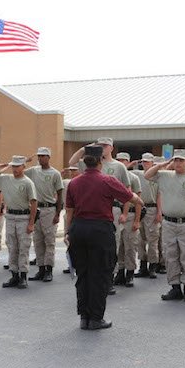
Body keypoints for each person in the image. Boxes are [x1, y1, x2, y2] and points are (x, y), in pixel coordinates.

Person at [65, 144, 144, 330]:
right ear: (101, 162)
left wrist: (69, 232)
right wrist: (140, 201)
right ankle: (96, 318)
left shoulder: (74, 183)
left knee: (83, 274)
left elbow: (69, 211)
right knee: (100, 274)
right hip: (100, 230)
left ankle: (84, 316)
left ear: (85, 162)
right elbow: (130, 197)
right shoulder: (108, 180)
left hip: (79, 229)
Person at [69, 137, 131, 295]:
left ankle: (109, 278)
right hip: (93, 209)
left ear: (111, 148)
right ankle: (94, 278)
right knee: (93, 247)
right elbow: (72, 162)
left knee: (111, 246)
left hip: (113, 208)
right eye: (100, 146)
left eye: (105, 146)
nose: (102, 148)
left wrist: (125, 212)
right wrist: (84, 149)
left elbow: (127, 190)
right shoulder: (90, 161)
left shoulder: (119, 166)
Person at [145, 149, 185, 303]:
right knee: (170, 255)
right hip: (169, 223)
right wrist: (163, 164)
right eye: (176, 160)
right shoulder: (165, 175)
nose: (178, 163)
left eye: (181, 160)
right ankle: (174, 287)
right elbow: (147, 175)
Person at [0, 156, 38, 289]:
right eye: (13, 166)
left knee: (23, 248)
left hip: (23, 217)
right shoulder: (6, 179)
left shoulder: (27, 182)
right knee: (12, 247)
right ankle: (14, 275)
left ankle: (23, 276)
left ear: (24, 167)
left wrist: (31, 223)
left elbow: (33, 203)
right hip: (10, 216)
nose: (15, 169)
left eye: (18, 166)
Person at [23, 147, 64, 283]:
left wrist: (58, 214)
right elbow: (19, 172)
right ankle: (40, 268)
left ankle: (49, 269)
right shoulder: (34, 171)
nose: (40, 159)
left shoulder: (55, 173)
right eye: (39, 156)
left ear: (49, 157)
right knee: (38, 240)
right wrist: (25, 161)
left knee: (49, 241)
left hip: (49, 209)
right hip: (36, 209)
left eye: (43, 156)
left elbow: (59, 195)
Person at [129, 153, 162, 279]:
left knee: (153, 238)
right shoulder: (137, 174)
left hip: (152, 208)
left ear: (152, 162)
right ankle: (142, 265)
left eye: (147, 162)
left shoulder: (157, 176)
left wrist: (159, 212)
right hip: (140, 207)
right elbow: (124, 175)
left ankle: (153, 265)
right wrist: (130, 165)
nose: (145, 163)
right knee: (140, 239)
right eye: (143, 161)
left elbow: (160, 195)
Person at [114, 152, 142, 287]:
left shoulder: (134, 178)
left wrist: (137, 220)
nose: (120, 163)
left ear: (128, 162)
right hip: (116, 213)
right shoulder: (113, 178)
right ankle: (120, 271)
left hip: (130, 215)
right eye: (118, 160)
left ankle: (130, 272)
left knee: (130, 245)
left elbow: (138, 201)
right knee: (118, 246)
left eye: (123, 161)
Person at [62, 166, 81, 274]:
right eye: (71, 170)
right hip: (68, 213)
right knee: (69, 239)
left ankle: (79, 263)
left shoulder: (83, 183)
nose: (72, 172)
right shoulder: (67, 183)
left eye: (75, 170)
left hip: (79, 215)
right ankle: (72, 262)